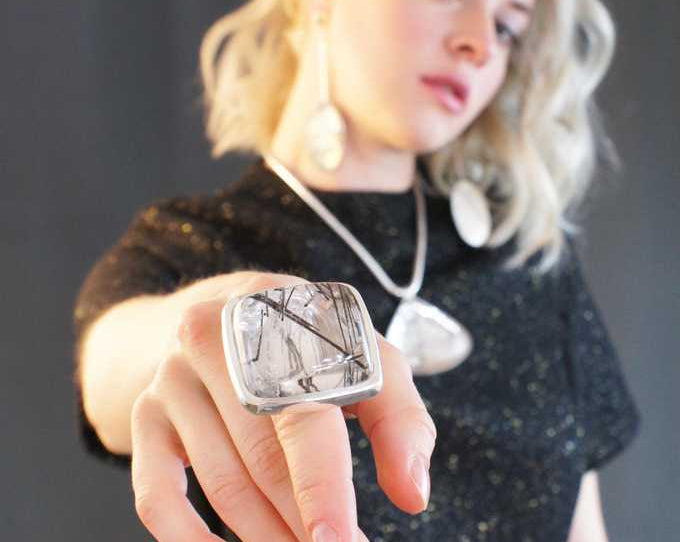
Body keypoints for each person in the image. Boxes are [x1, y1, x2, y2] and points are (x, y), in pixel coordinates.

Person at [72, 0, 642, 541]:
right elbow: (111, 373)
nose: (481, 44)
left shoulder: (528, 263)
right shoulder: (192, 245)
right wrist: (231, 320)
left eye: (507, 27)